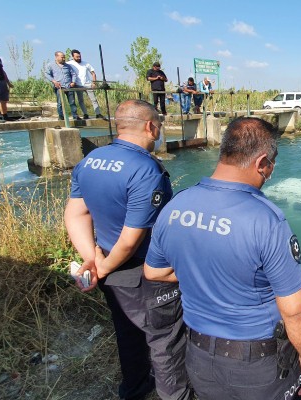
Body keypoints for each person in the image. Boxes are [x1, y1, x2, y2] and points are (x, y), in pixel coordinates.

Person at [143, 117, 301, 400]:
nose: (270, 173)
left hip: (198, 357)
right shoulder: (267, 220)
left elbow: (154, 272)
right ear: (262, 162)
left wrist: (200, 270)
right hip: (258, 367)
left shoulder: (176, 206)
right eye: (272, 165)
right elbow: (295, 309)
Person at [64, 99, 191, 400]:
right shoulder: (147, 171)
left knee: (127, 332)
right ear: (150, 126)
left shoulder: (90, 161)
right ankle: (174, 395)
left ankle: (134, 388)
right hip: (143, 272)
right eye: (159, 126)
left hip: (110, 267)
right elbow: (132, 237)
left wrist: (92, 258)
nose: (159, 132)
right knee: (165, 341)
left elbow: (75, 214)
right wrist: (103, 267)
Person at [67, 49, 104, 120]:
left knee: (94, 99)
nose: (79, 58)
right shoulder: (69, 64)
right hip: (78, 85)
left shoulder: (86, 63)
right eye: (77, 57)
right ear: (73, 56)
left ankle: (98, 113)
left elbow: (93, 73)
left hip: (88, 84)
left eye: (79, 56)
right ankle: (85, 114)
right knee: (81, 100)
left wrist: (94, 82)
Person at [45, 51, 80, 121]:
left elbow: (73, 74)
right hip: (59, 87)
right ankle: (61, 116)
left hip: (69, 86)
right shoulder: (50, 65)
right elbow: (47, 74)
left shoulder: (68, 66)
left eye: (64, 57)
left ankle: (75, 116)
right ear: (56, 57)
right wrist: (54, 81)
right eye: (62, 57)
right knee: (60, 103)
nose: (64, 59)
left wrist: (73, 82)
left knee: (72, 102)